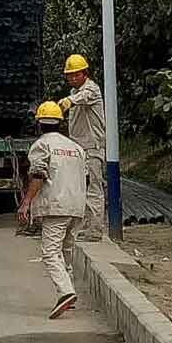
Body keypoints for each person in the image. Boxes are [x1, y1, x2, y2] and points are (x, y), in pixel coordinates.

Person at [17, 101, 87, 320]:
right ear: (60, 123)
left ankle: (65, 292)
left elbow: (38, 175)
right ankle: (69, 289)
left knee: (50, 252)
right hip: (76, 206)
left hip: (55, 206)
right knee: (66, 250)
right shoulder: (76, 148)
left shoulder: (41, 146)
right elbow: (87, 177)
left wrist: (26, 201)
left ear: (39, 124)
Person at [59, 54, 106, 241]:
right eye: (69, 75)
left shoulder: (91, 90)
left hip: (92, 146)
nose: (72, 78)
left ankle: (94, 231)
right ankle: (86, 227)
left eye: (75, 74)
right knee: (81, 189)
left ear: (84, 73)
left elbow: (84, 97)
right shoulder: (73, 93)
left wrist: (69, 102)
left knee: (94, 189)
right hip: (79, 147)